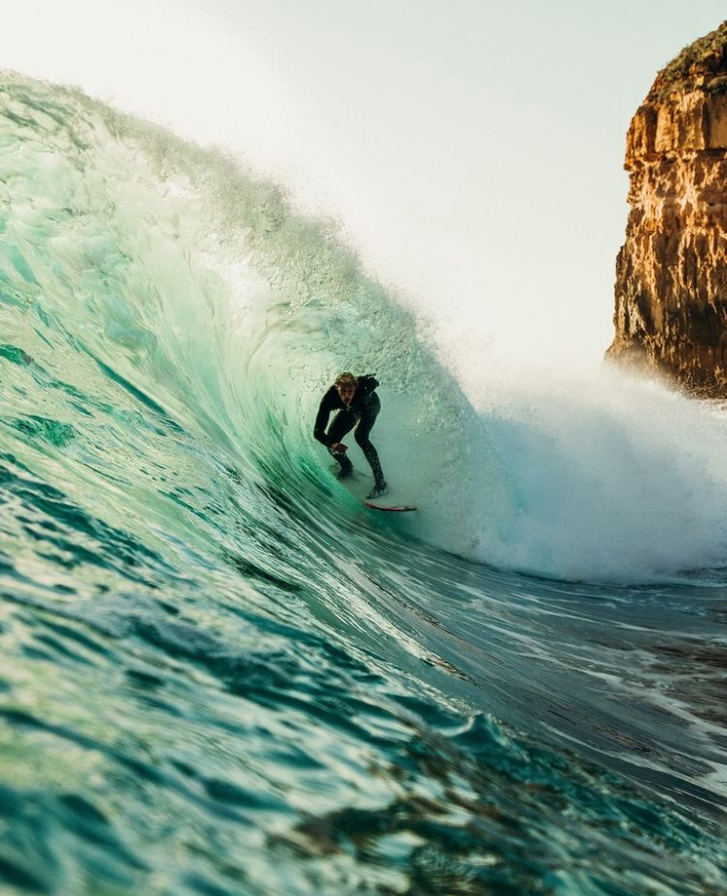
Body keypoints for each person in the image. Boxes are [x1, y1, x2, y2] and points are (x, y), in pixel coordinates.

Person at [314, 372, 388, 499]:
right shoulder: (329, 399)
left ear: (355, 387)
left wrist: (384, 378)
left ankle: (381, 484)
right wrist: (333, 444)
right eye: (343, 391)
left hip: (371, 405)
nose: (346, 395)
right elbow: (317, 431)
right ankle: (347, 467)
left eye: (350, 391)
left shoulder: (364, 386)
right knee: (331, 441)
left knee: (360, 436)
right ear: (337, 387)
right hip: (351, 409)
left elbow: (378, 377)